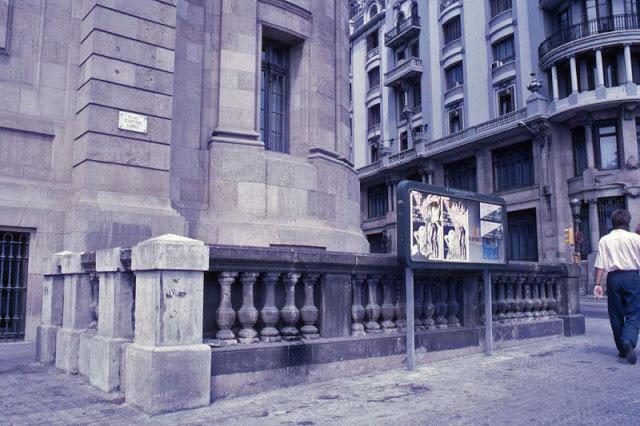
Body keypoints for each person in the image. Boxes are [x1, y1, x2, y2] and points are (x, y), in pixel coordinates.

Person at [593, 209, 640, 365]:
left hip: (613, 278)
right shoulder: (636, 239)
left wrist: (597, 284)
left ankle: (621, 349)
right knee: (634, 312)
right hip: (632, 276)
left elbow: (600, 264)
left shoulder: (605, 240)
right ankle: (628, 340)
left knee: (615, 314)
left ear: (612, 222)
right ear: (628, 222)